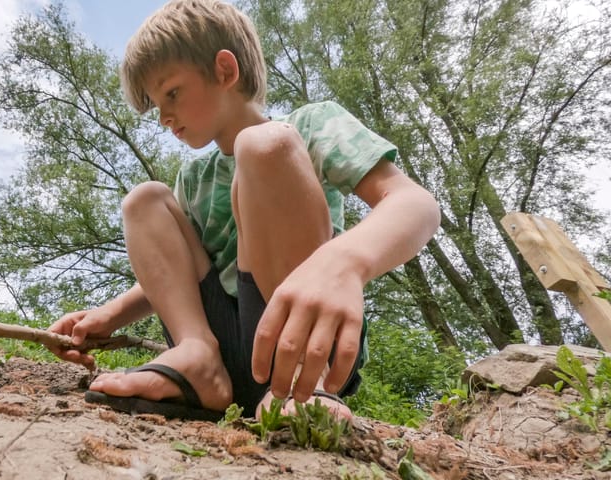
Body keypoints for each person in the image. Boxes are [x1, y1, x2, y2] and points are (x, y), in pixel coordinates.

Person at [47, 0, 440, 421]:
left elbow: (414, 203)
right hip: (228, 357)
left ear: (224, 71)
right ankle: (197, 360)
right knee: (144, 199)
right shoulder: (194, 180)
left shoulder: (309, 126)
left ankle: (301, 387)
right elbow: (173, 277)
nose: (163, 116)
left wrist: (342, 262)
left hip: (306, 344)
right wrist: (107, 316)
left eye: (172, 92)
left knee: (263, 144)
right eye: (155, 103)